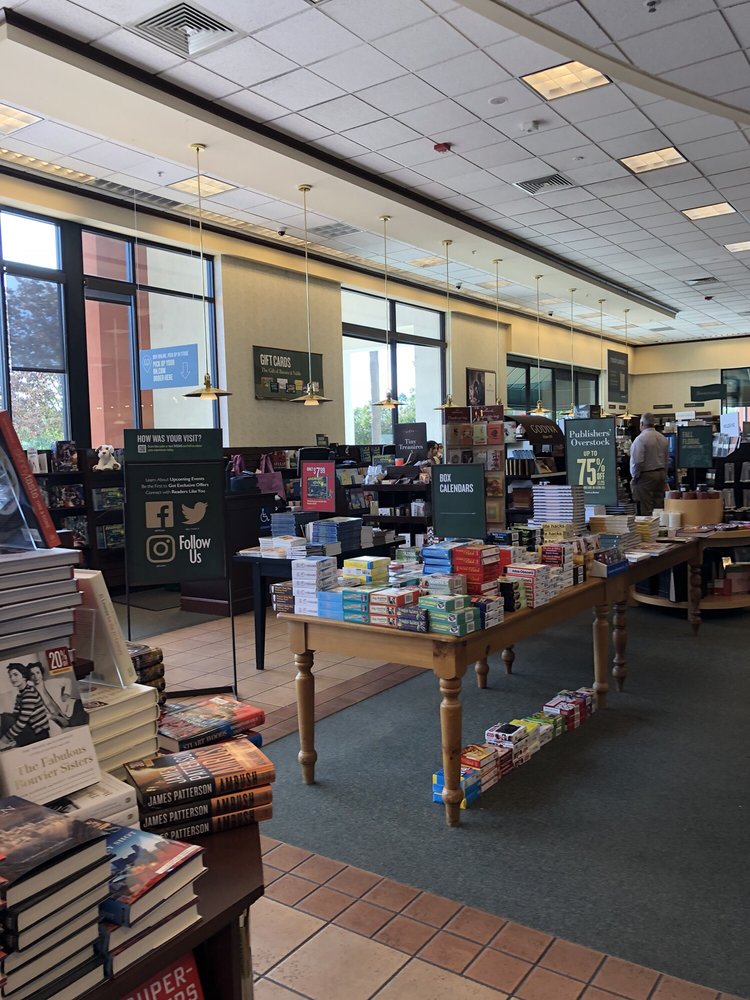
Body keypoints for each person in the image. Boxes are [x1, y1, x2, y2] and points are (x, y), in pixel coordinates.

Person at [0, 663, 50, 748]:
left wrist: (4, 739)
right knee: (4, 716)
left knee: (5, 718)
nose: (12, 678)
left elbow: (21, 723)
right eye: (10, 676)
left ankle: (4, 743)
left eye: (15, 675)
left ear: (24, 676)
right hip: (31, 730)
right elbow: (15, 716)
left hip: (38, 735)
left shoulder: (29, 694)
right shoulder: (21, 694)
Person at [630, 412, 669, 515]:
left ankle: (647, 524)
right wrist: (664, 474)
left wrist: (635, 477)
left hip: (646, 476)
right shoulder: (662, 438)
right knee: (659, 506)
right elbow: (666, 460)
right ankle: (659, 523)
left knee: (645, 505)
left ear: (642, 424)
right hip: (661, 474)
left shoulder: (640, 439)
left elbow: (637, 461)